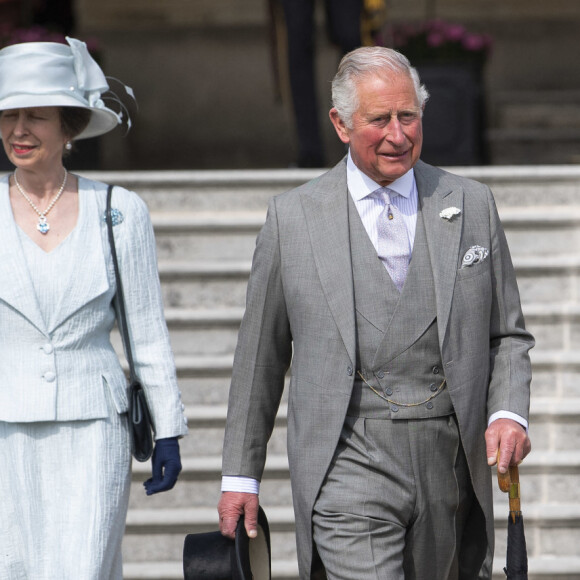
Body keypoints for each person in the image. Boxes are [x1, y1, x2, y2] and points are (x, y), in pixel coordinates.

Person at [218, 46, 534, 579]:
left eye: (408, 116)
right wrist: (240, 475)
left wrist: (508, 411)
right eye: (379, 119)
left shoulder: (471, 203)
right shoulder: (292, 219)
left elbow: (507, 335)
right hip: (349, 461)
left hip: (450, 460)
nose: (398, 134)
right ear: (341, 124)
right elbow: (260, 358)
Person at [0, 38, 188, 579]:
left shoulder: (119, 211)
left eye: (35, 116)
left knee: (84, 568)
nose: (19, 130)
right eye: (9, 115)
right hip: (6, 422)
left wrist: (169, 427)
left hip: (94, 425)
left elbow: (146, 332)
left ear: (70, 126)